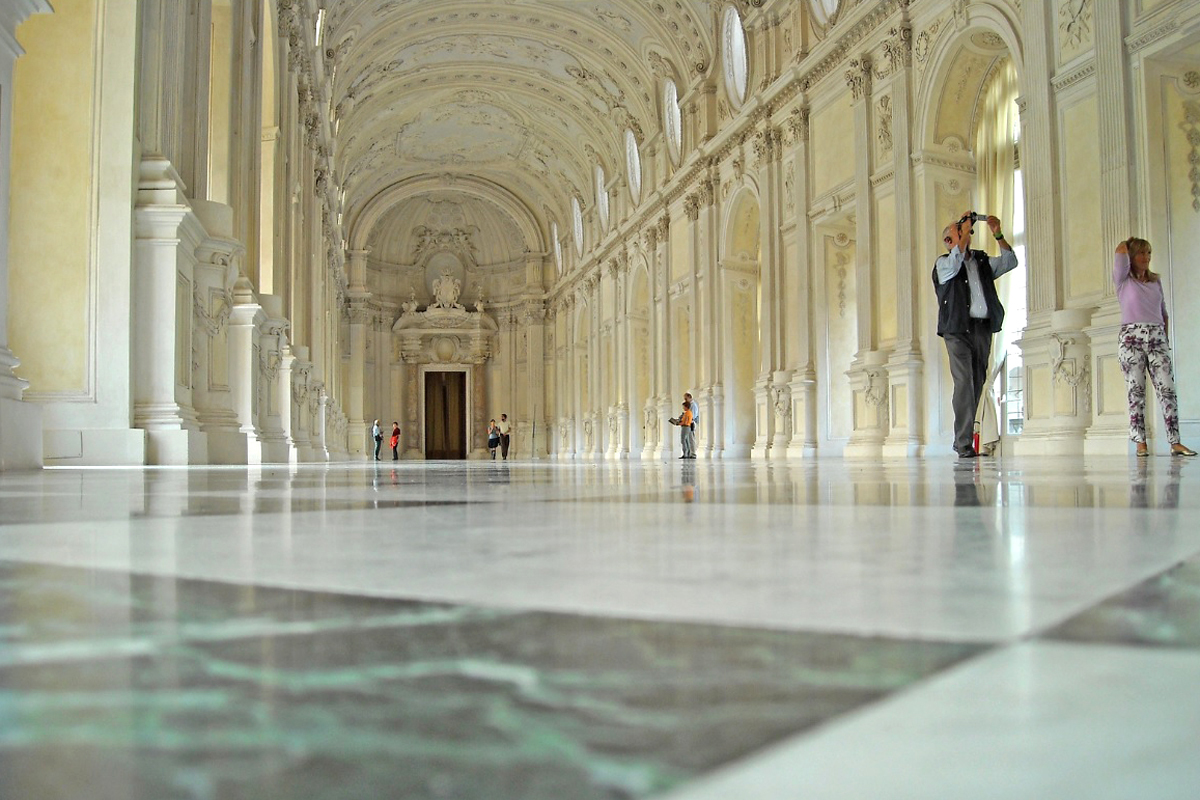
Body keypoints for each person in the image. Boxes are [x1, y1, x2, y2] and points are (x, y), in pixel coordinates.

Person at [933, 210, 1019, 458]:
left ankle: (965, 441)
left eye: (966, 231)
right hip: (956, 330)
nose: (966, 233)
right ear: (949, 242)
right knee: (963, 385)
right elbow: (954, 263)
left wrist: (998, 234)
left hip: (982, 329)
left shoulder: (981, 262)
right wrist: (961, 237)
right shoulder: (943, 264)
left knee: (976, 384)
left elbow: (1010, 262)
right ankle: (962, 444)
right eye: (958, 233)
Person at [1113, 238, 1196, 457]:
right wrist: (1129, 243)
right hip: (1131, 338)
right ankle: (1140, 443)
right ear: (1132, 257)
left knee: (1167, 389)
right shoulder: (1123, 280)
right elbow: (1119, 250)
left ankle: (1175, 441)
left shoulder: (1155, 281)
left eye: (1149, 253)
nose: (1146, 258)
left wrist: (1164, 341)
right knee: (1136, 390)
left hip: (1157, 336)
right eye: (1141, 253)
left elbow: (1164, 312)